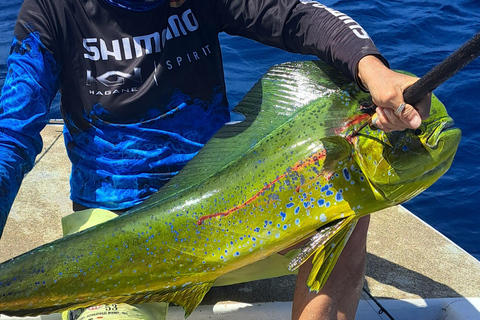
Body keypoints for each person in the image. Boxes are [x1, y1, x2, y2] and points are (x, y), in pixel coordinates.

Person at [0, 0, 431, 319]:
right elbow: (10, 136)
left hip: (223, 222)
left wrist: (373, 68)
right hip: (115, 228)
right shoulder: (52, 11)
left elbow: (300, 17)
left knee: (345, 209)